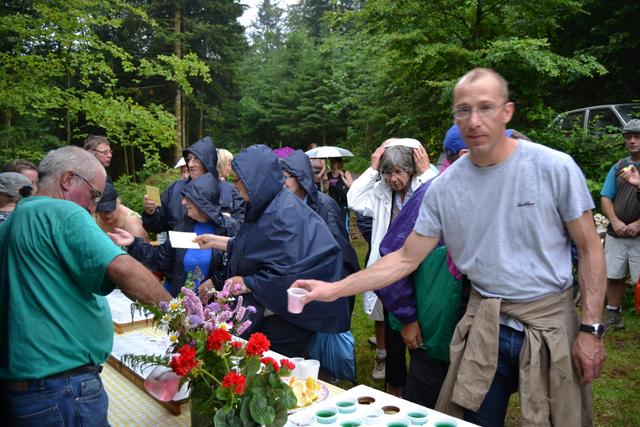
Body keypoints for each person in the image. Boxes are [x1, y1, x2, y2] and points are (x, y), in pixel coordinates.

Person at [293, 68, 606, 427]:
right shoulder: (446, 187)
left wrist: (591, 329)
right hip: (485, 323)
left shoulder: (553, 168)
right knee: (470, 419)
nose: (474, 120)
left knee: (559, 420)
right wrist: (333, 289)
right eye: (463, 110)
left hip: (550, 322)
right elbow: (404, 258)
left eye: (485, 107)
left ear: (507, 111)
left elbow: (590, 248)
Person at [0, 146, 170, 426]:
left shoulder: (17, 218)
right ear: (68, 179)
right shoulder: (61, 211)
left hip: (31, 388)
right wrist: (178, 315)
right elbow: (124, 269)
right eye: (93, 195)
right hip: (60, 389)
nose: (93, 207)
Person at [194, 145, 351, 357]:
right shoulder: (265, 204)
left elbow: (294, 270)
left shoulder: (282, 214)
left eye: (237, 180)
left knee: (278, 369)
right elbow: (255, 246)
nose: (235, 186)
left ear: (253, 181)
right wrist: (217, 241)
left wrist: (248, 282)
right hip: (269, 310)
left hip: (286, 319)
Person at [348, 138, 438, 388]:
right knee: (392, 333)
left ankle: (422, 388)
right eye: (388, 173)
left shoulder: (424, 187)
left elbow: (440, 195)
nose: (393, 179)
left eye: (398, 172)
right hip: (391, 275)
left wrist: (426, 172)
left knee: (423, 330)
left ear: (411, 169)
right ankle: (395, 387)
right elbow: (354, 199)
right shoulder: (382, 194)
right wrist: (373, 167)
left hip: (420, 270)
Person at [109, 173, 238, 297]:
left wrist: (215, 281)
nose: (183, 203)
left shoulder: (229, 228)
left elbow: (240, 264)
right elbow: (160, 260)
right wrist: (133, 243)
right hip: (182, 303)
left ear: (203, 201)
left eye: (189, 198)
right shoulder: (183, 228)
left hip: (219, 305)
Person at [280, 150, 360, 278]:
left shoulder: (325, 206)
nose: (282, 182)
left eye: (285, 177)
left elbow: (340, 248)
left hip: (326, 275)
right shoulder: (287, 203)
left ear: (300, 177)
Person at [600, 118, 640, 330]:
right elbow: (606, 197)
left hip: (639, 235)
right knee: (614, 275)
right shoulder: (618, 166)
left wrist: (638, 224)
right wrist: (614, 221)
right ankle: (614, 315)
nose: (632, 141)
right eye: (628, 137)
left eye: (637, 136)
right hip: (617, 233)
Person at [142, 136, 217, 234]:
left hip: (210, 243)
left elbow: (231, 231)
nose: (190, 164)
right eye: (189, 159)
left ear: (207, 161)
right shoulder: (175, 188)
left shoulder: (223, 190)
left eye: (196, 159)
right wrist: (151, 213)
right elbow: (156, 227)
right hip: (176, 243)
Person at [217, 148, 246, 223]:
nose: (231, 168)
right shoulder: (224, 186)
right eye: (229, 164)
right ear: (221, 164)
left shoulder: (209, 184)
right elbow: (225, 214)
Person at [325, 157, 353, 230]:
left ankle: (346, 236)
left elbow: (351, 185)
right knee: (334, 223)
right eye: (331, 162)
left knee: (344, 223)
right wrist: (325, 180)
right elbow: (326, 189)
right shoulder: (328, 174)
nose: (332, 164)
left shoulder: (345, 172)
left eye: (334, 162)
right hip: (332, 202)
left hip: (343, 202)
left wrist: (343, 177)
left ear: (339, 163)